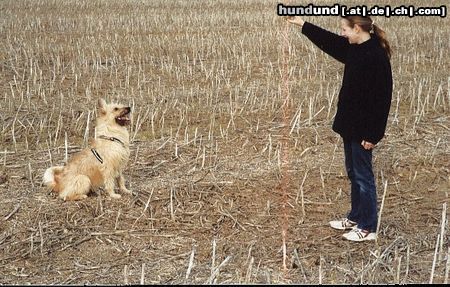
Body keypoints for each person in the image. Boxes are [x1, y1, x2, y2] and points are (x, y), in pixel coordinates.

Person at [286, 15, 393, 242]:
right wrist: (302, 24)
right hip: (350, 125)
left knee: (364, 178)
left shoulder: (375, 56)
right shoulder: (354, 47)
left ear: (357, 29)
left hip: (364, 130)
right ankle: (355, 217)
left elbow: (382, 99)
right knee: (354, 174)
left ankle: (367, 227)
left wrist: (373, 134)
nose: (342, 34)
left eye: (345, 29)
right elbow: (329, 41)